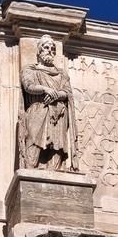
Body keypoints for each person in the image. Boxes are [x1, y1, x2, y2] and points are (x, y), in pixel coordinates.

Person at [20, 35, 75, 170]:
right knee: (33, 139)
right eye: (46, 47)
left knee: (58, 144)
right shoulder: (29, 70)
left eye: (52, 48)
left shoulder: (61, 74)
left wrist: (55, 95)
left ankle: (55, 171)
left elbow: (67, 92)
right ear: (39, 51)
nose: (50, 50)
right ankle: (29, 170)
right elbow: (28, 86)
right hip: (38, 108)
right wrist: (45, 89)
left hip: (58, 112)